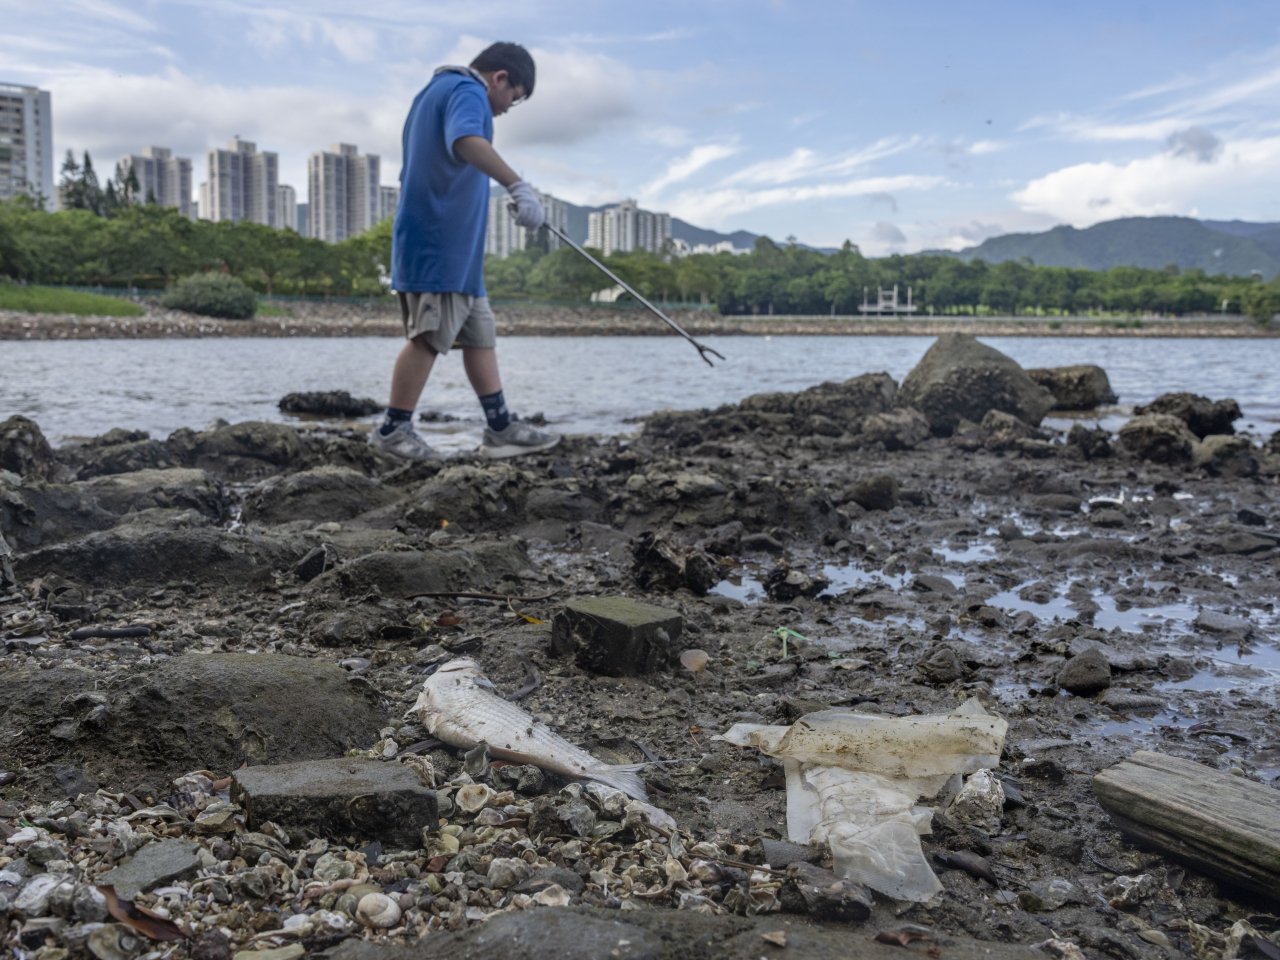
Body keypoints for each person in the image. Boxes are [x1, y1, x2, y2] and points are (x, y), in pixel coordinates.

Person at [373, 41, 559, 461]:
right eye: (514, 97)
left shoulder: (436, 92)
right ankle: (393, 430)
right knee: (428, 337)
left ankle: (500, 427)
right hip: (438, 244)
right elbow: (466, 139)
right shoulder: (466, 91)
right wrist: (517, 184)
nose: (508, 108)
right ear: (500, 78)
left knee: (479, 334)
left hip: (459, 254)